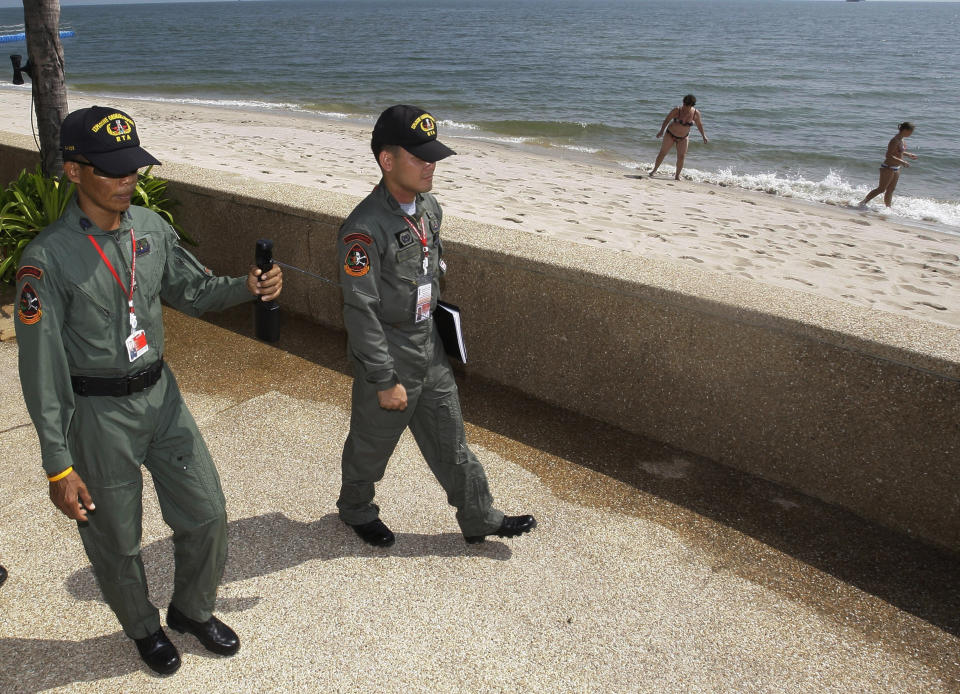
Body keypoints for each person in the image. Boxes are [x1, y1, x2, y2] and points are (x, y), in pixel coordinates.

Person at [14, 106, 283, 676]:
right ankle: (142, 627)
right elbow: (40, 373)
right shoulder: (46, 260)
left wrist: (248, 287)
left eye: (132, 166)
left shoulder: (152, 228)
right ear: (72, 171)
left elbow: (195, 290)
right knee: (118, 540)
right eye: (111, 168)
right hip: (97, 413)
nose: (127, 179)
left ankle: (191, 610)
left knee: (207, 512)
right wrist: (58, 466)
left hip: (163, 399)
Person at [335, 104, 536, 548]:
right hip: (387, 353)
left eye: (433, 156)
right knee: (372, 446)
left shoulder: (429, 209)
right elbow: (360, 310)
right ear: (388, 161)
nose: (431, 165)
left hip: (428, 347)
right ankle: (355, 508)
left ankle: (479, 515)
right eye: (420, 156)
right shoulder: (363, 230)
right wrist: (384, 378)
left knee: (451, 438)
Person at [858, 122, 917, 208]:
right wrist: (902, 161)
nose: (911, 134)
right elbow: (889, 155)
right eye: (911, 132)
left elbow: (899, 151)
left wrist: (909, 155)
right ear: (905, 130)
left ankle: (888, 208)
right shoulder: (894, 140)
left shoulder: (902, 140)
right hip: (888, 167)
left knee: (890, 190)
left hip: (896, 167)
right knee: (881, 189)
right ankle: (862, 203)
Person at [650, 94, 709, 180]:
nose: (685, 107)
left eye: (687, 106)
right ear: (683, 102)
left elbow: (699, 125)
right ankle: (654, 170)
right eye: (684, 104)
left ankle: (677, 176)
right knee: (662, 153)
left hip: (683, 137)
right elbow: (667, 120)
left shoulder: (696, 113)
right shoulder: (677, 110)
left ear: (692, 105)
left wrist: (704, 136)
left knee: (681, 156)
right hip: (670, 134)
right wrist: (661, 131)